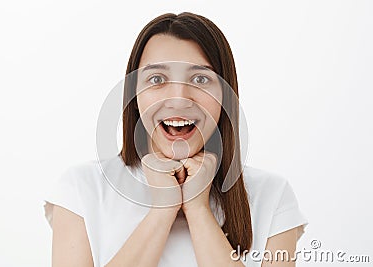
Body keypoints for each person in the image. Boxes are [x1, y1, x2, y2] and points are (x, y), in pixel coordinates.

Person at [44, 12, 308, 267]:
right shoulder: (81, 189)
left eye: (201, 79)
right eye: (157, 79)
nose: (179, 99)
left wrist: (199, 211)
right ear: (134, 96)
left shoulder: (272, 195)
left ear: (225, 97)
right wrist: (161, 212)